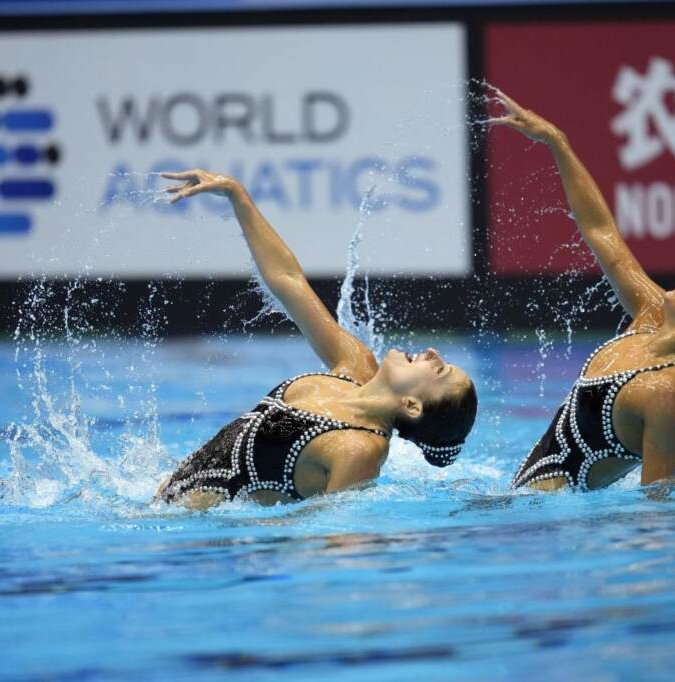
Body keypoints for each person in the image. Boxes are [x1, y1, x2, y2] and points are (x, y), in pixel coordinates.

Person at [489, 91, 675, 492]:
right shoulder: (653, 317)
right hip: (522, 502)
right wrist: (557, 141)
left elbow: (657, 495)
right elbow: (601, 232)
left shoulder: (670, 390)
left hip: (552, 525)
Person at [154, 169, 477, 509]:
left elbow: (331, 534)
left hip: (208, 541)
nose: (433, 353)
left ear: (412, 406)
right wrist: (238, 195)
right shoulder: (355, 366)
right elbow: (288, 279)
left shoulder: (360, 449)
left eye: (440, 371)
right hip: (161, 508)